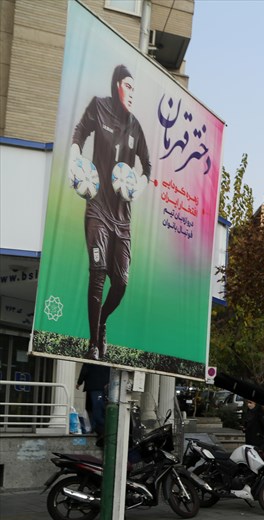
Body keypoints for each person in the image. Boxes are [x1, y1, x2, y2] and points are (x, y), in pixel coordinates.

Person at [70, 65, 151, 361]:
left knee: (121, 283)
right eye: (128, 86)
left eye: (134, 88)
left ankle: (102, 322)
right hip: (97, 210)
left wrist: (136, 188)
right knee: (98, 273)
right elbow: (79, 133)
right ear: (117, 85)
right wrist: (75, 160)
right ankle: (93, 344)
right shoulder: (99, 107)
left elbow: (148, 168)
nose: (132, 93)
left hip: (122, 219)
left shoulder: (136, 127)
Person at [76, 362, 110, 447]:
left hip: (95, 385)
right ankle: (97, 429)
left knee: (96, 410)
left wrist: (79, 382)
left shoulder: (92, 354)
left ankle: (102, 431)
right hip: (102, 386)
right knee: (95, 409)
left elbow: (85, 369)